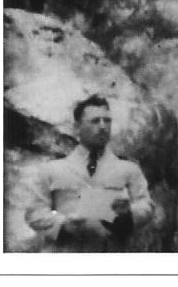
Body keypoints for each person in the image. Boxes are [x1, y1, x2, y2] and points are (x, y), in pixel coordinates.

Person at [23, 95, 154, 252]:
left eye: (107, 121)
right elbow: (34, 214)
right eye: (95, 121)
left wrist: (127, 216)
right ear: (77, 127)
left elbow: (146, 206)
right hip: (65, 258)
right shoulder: (51, 170)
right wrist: (64, 224)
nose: (102, 126)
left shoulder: (128, 170)